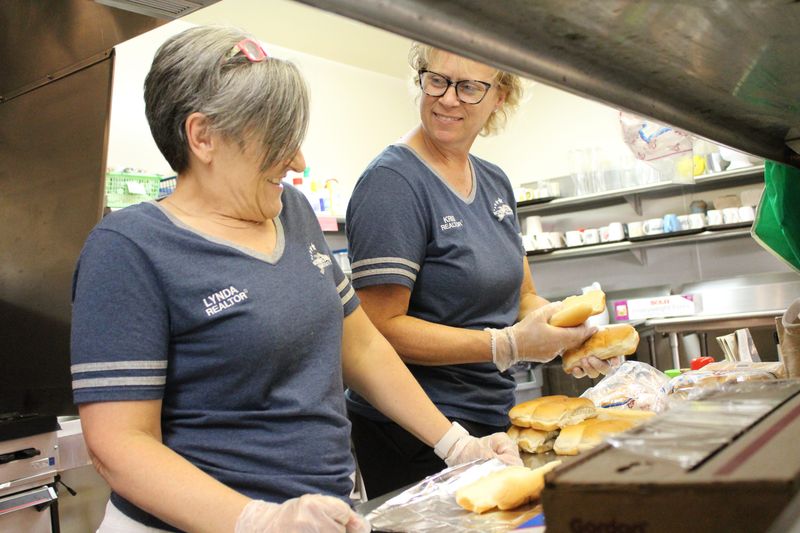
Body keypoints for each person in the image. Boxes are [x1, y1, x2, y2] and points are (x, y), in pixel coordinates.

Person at [70, 27, 522, 533]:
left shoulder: (294, 213)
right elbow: (118, 445)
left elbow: (363, 348)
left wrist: (457, 445)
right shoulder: (128, 249)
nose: (298, 160)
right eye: (277, 139)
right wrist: (256, 520)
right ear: (202, 137)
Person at [345, 43, 622, 497]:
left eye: (469, 87)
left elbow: (522, 297)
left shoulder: (494, 181)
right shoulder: (393, 183)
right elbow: (375, 329)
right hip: (418, 430)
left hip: (492, 415)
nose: (448, 98)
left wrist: (568, 336)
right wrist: (506, 345)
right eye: (437, 80)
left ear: (500, 98)